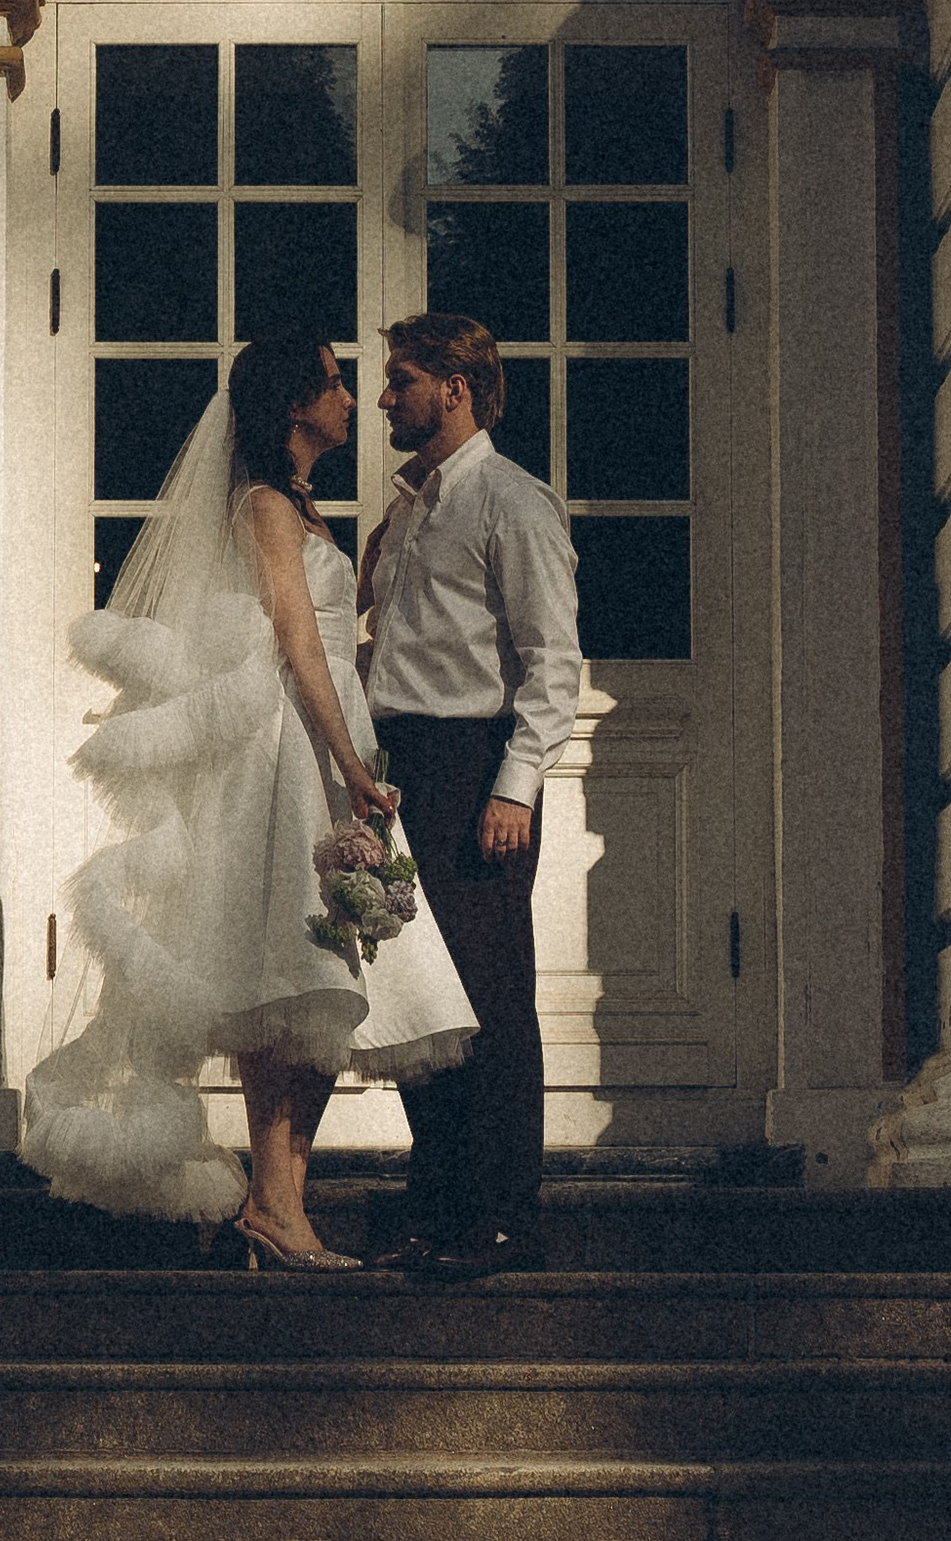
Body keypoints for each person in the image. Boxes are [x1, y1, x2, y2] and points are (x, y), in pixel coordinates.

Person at [23, 331, 476, 1265]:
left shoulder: (300, 506)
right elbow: (298, 644)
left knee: (326, 980)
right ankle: (276, 1203)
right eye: (335, 384)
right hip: (289, 752)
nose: (352, 399)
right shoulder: (264, 504)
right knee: (292, 977)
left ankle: (281, 1202)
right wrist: (351, 765)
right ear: (294, 406)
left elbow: (333, 633)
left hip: (326, 737)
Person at [365, 309, 582, 1278]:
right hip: (403, 768)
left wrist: (516, 786)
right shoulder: (412, 506)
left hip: (472, 767)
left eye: (402, 381)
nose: (384, 399)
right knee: (422, 1000)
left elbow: (553, 660)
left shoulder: (512, 502)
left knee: (487, 996)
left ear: (454, 389)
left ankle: (501, 1217)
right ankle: (441, 1202)